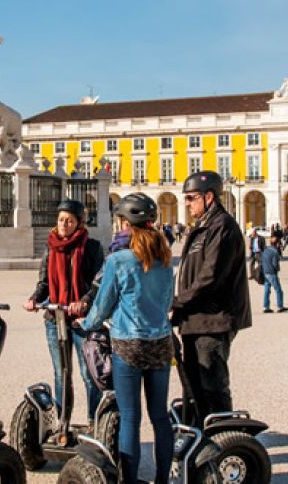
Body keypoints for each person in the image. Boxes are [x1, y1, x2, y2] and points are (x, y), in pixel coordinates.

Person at [81, 193, 174, 484]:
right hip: (160, 343)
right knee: (160, 417)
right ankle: (162, 479)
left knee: (130, 418)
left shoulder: (119, 261)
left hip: (128, 346)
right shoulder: (165, 258)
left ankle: (130, 480)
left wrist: (86, 324)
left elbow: (103, 305)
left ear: (126, 223)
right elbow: (168, 301)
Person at [172, 171, 252, 426]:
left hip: (213, 319)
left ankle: (222, 438)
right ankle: (202, 436)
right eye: (186, 198)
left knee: (213, 385)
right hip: (196, 319)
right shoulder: (203, 227)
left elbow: (211, 276)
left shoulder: (222, 227)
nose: (187, 203)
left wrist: (178, 302)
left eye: (192, 198)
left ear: (209, 197)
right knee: (195, 384)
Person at [24, 199, 105, 423]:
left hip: (82, 320)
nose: (64, 224)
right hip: (55, 318)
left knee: (88, 374)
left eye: (69, 220)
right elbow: (44, 284)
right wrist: (34, 299)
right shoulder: (50, 247)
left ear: (79, 223)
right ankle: (62, 422)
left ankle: (94, 421)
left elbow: (99, 282)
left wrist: (85, 301)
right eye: (61, 220)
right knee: (61, 373)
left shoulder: (92, 247)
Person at [261, 237, 288, 313]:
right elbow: (275, 264)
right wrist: (277, 270)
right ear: (277, 243)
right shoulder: (275, 252)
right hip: (272, 273)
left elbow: (261, 260)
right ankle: (280, 306)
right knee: (278, 290)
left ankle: (266, 307)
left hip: (265, 272)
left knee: (267, 290)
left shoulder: (265, 250)